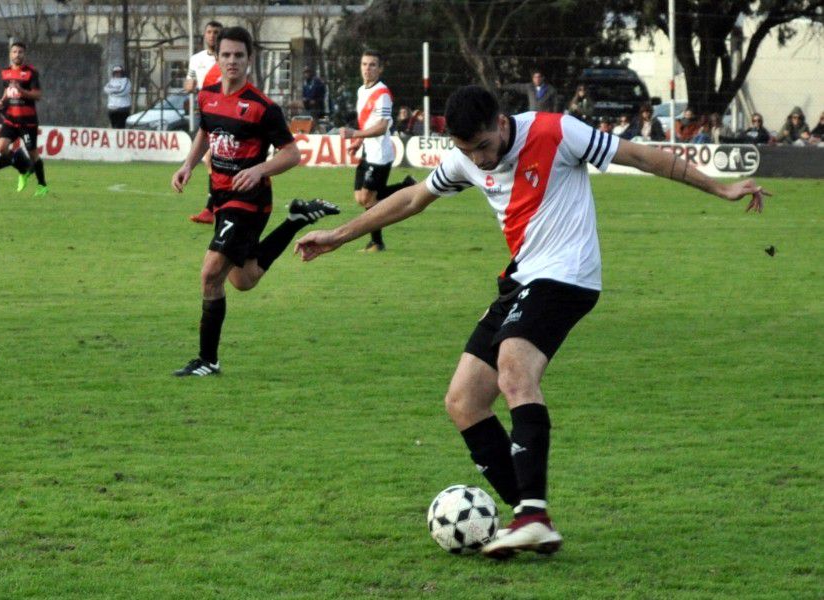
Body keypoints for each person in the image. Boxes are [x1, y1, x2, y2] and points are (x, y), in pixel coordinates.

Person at [295, 84, 768, 560]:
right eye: (466, 150)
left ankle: (532, 516)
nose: (478, 160)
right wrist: (337, 235)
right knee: (464, 401)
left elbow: (642, 157)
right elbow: (413, 199)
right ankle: (526, 515)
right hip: (521, 280)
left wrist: (720, 187)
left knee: (514, 367)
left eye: (482, 146)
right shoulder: (466, 158)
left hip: (568, 275)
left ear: (502, 124)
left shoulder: (555, 131)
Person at [170, 26, 340, 377]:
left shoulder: (263, 107)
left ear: (250, 59)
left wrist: (260, 169)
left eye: (239, 56)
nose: (232, 61)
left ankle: (207, 360)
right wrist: (188, 164)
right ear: (217, 58)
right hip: (221, 198)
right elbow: (206, 131)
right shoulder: (208, 95)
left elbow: (292, 154)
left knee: (210, 275)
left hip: (248, 201)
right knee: (243, 280)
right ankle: (296, 220)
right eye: (227, 55)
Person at [340, 50, 415, 252]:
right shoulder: (361, 90)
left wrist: (354, 133)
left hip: (380, 155)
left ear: (380, 69)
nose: (367, 68)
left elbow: (382, 127)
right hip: (368, 151)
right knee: (360, 197)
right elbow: (368, 121)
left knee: (369, 199)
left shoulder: (382, 94)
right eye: (364, 64)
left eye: (372, 65)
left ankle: (376, 242)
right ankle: (406, 187)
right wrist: (358, 141)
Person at [185, 20, 225, 226]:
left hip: (223, 112)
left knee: (211, 158)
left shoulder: (228, 58)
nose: (212, 35)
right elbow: (188, 82)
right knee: (211, 159)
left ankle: (213, 206)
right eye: (209, 32)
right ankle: (215, 205)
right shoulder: (196, 59)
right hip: (206, 112)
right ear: (204, 35)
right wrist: (190, 86)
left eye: (216, 32)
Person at [0, 41, 48, 197]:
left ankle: (42, 185)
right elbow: (7, 91)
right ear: (10, 54)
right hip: (11, 119)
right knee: (1, 147)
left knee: (33, 153)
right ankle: (23, 169)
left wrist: (21, 90)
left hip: (28, 121)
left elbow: (37, 95)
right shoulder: (5, 72)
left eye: (20, 52)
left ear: (24, 55)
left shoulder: (31, 72)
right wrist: (2, 101)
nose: (17, 54)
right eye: (14, 52)